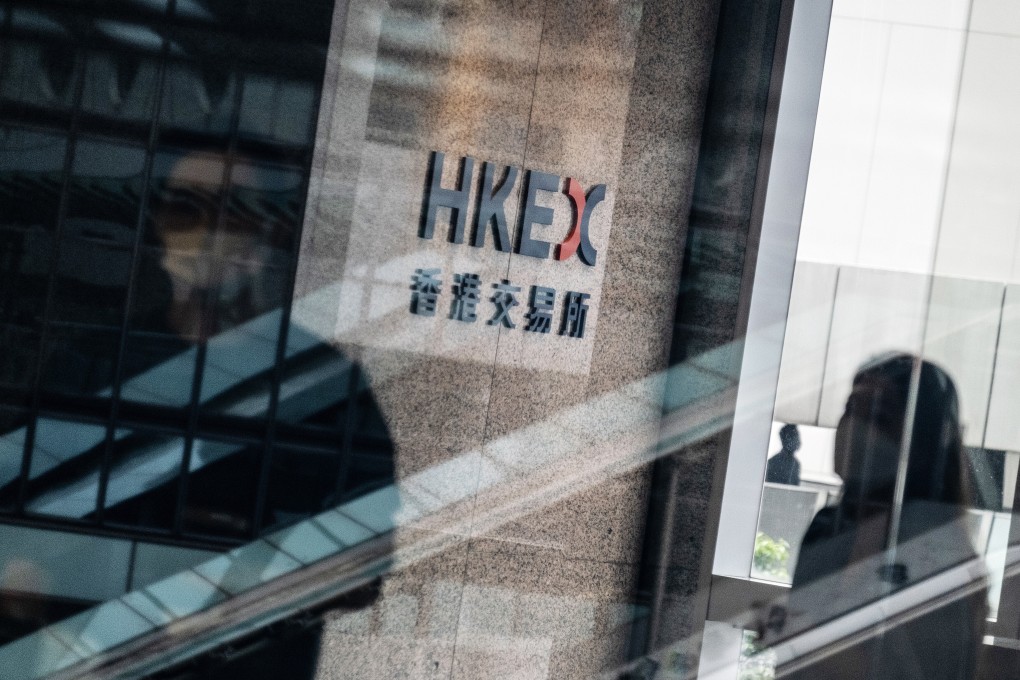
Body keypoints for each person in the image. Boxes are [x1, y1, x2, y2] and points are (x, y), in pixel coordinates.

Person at [774, 353, 986, 679]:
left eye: (878, 416)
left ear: (920, 444)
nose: (853, 427)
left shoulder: (939, 556)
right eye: (851, 408)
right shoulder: (826, 530)